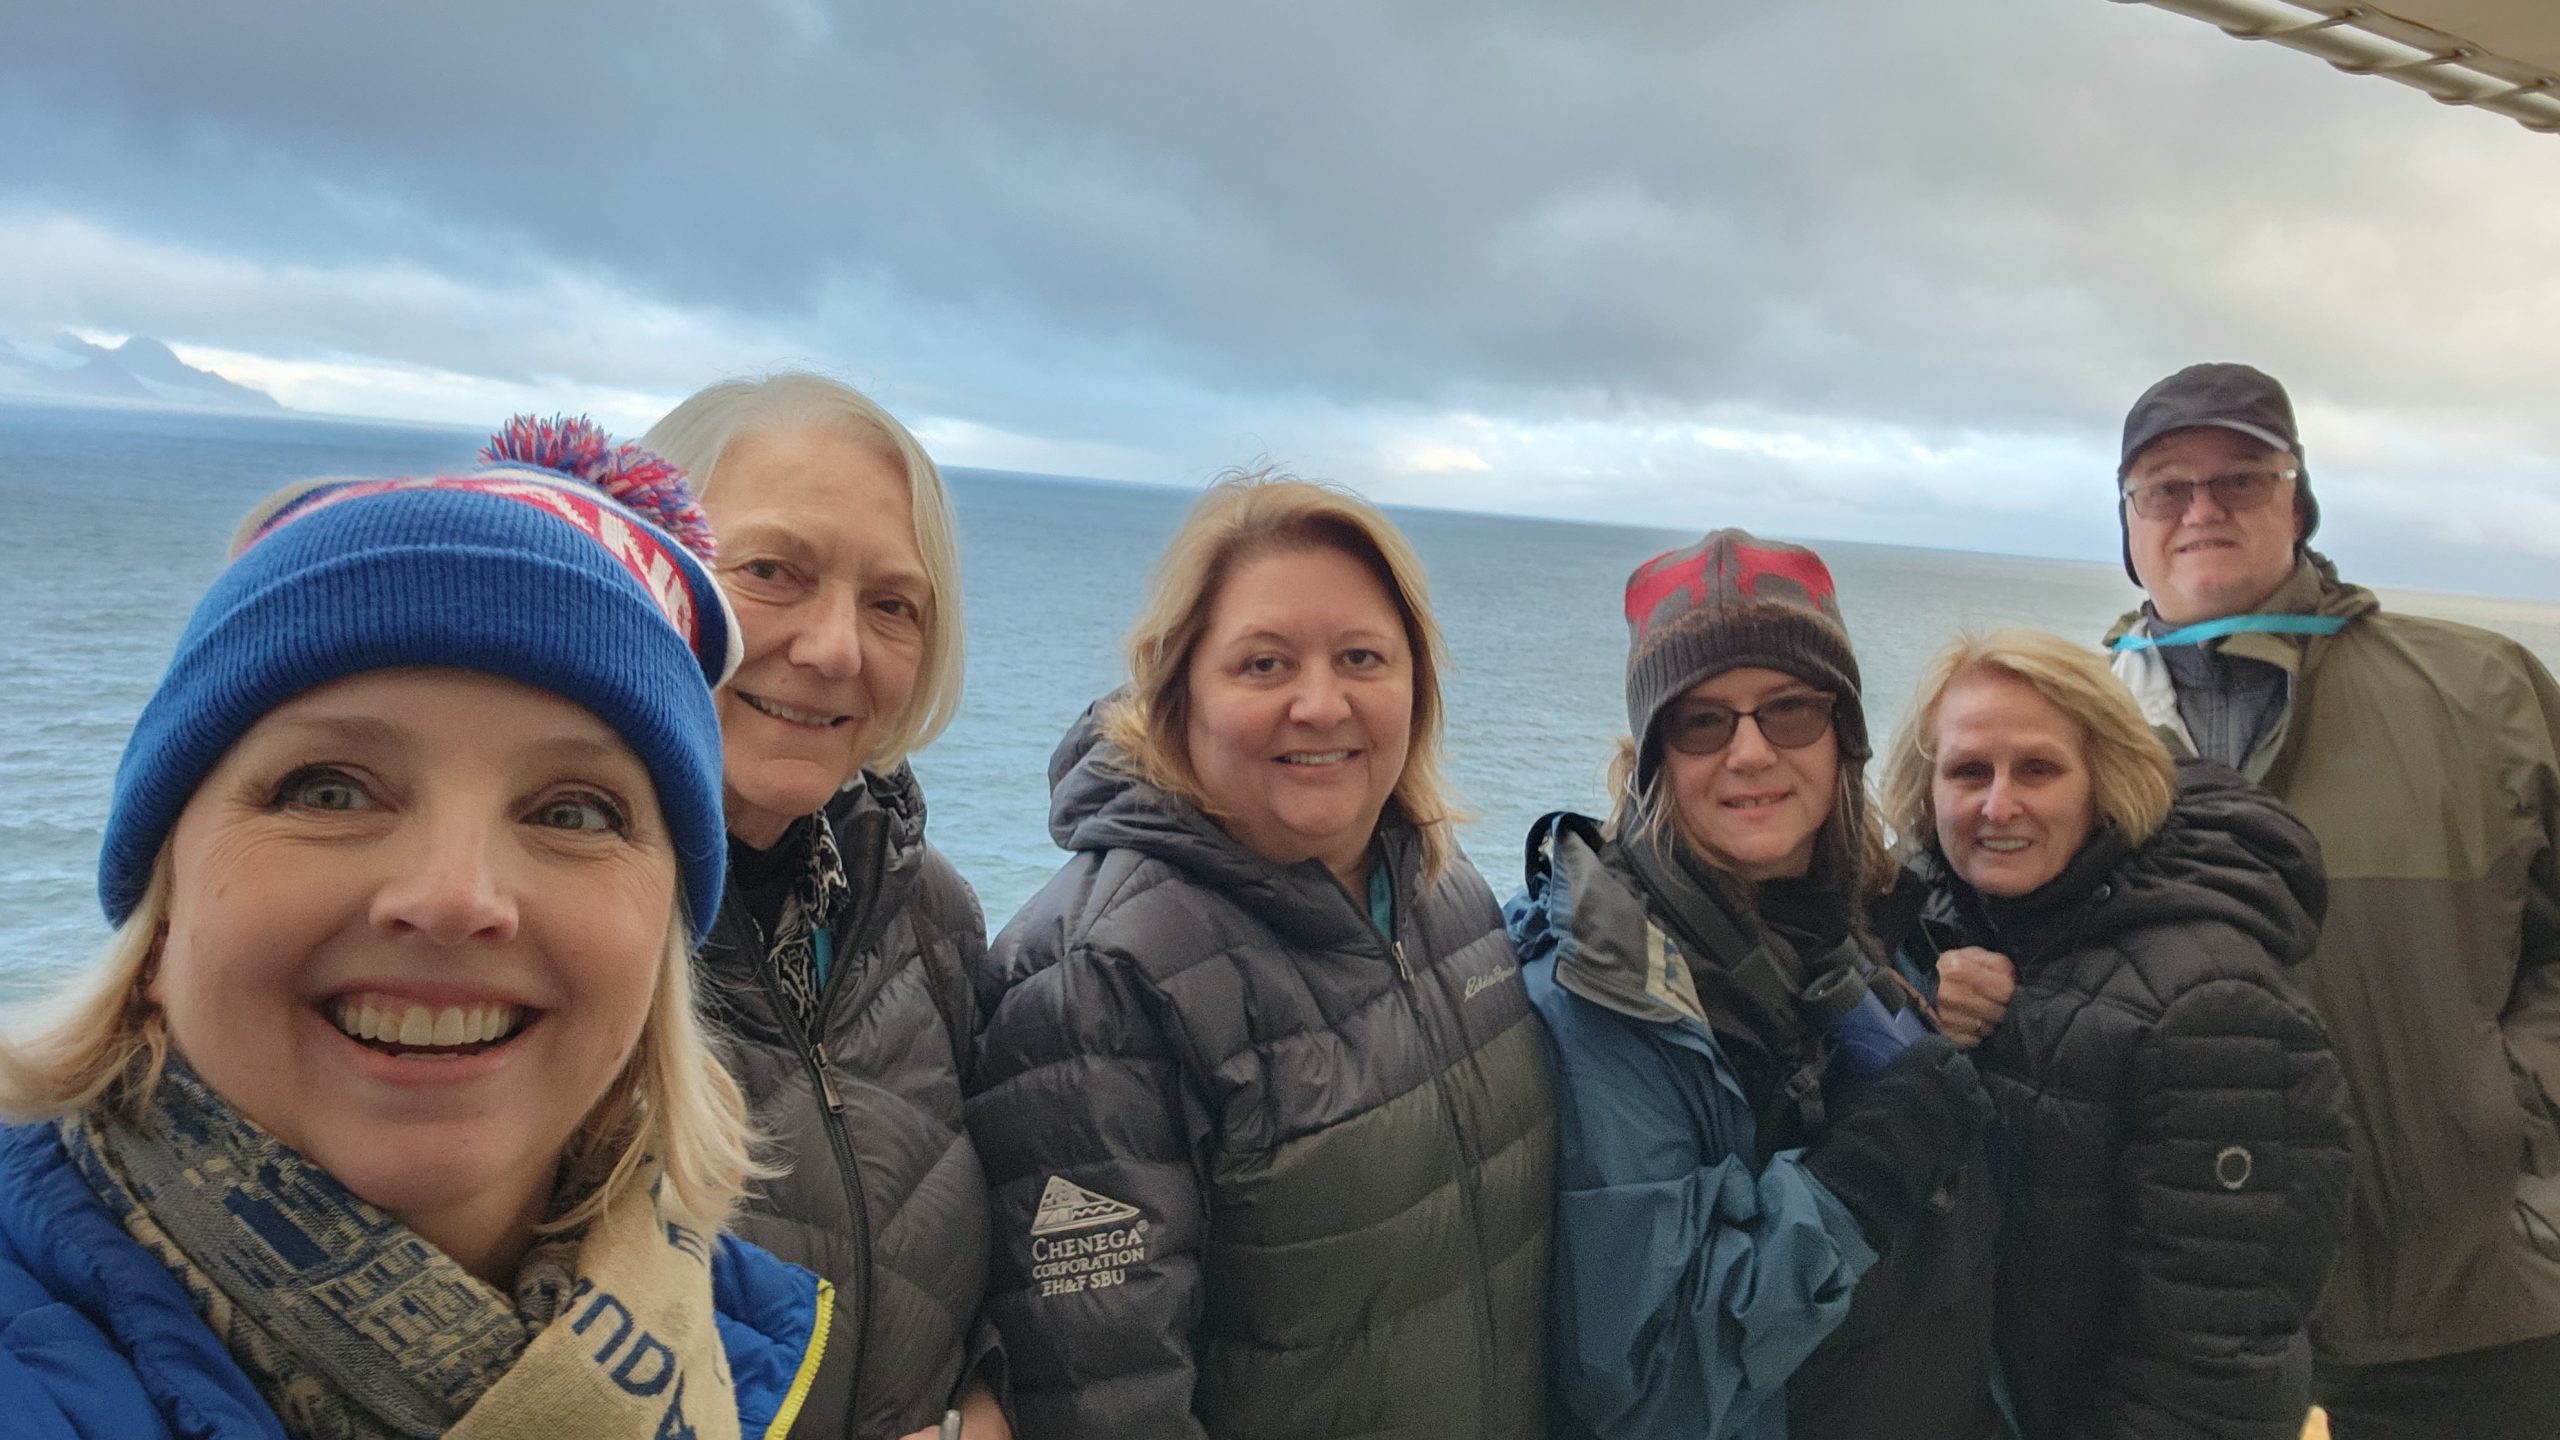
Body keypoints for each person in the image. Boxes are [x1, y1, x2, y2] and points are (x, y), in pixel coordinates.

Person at [0, 419, 849, 1438]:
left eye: (574, 812)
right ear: (163, 895)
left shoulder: (731, 1346)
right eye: (329, 790)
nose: (454, 898)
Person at [963, 472, 1555, 1438]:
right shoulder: (1098, 982)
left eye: (1361, 657)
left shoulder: (1445, 896)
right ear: (1179, 693)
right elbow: (1108, 1404)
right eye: (1264, 664)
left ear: (1416, 684)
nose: (1320, 704)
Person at [2097, 363, 2560, 1440]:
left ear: (2297, 501)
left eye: (2240, 478)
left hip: (2464, 1302)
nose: (2201, 509)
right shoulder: (2068, 734)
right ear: (2127, 522)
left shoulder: (2482, 692)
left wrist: (2506, 1108)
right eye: (2165, 488)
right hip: (2188, 1322)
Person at [1507, 528, 2005, 1440]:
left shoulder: (1863, 913)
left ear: (1843, 737)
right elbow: (1648, 1381)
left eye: (1790, 711)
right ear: (1658, 755)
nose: (1749, 753)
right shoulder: (1607, 996)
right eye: (1703, 721)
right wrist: (1860, 1180)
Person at [1878, 627, 2354, 1438]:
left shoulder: (2211, 1010)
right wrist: (1918, 985)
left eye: (2038, 769)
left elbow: (2210, 1375)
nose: (1998, 805)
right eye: (1968, 772)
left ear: (2106, 781)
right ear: (1926, 794)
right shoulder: (1952, 925)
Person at [643, 374, 1004, 1440]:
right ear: (643, 569)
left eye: (892, 604)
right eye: (770, 572)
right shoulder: (548, 929)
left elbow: (982, 1248)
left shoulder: (925, 913)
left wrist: (989, 1402)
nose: (836, 648)